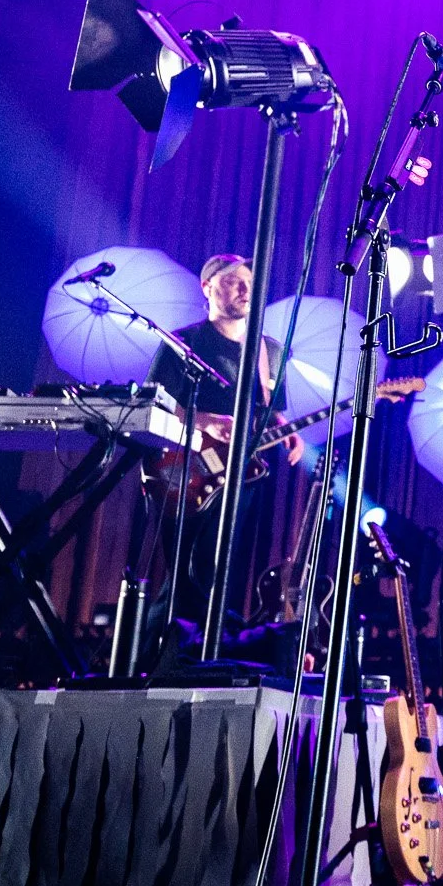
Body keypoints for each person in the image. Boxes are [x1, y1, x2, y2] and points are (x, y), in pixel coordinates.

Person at [146, 254, 304, 645]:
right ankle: (158, 652)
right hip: (182, 468)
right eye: (233, 280)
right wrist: (206, 421)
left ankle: (198, 651)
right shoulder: (183, 343)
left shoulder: (268, 350)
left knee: (215, 568)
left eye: (249, 281)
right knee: (184, 568)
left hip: (240, 474)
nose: (244, 289)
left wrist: (286, 431)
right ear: (208, 287)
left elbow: (271, 409)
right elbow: (153, 406)